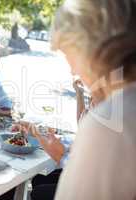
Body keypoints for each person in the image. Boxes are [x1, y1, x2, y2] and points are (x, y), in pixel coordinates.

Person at [32, 0, 136, 199]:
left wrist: (62, 156)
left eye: (70, 54)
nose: (73, 69)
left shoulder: (111, 120)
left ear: (94, 48)